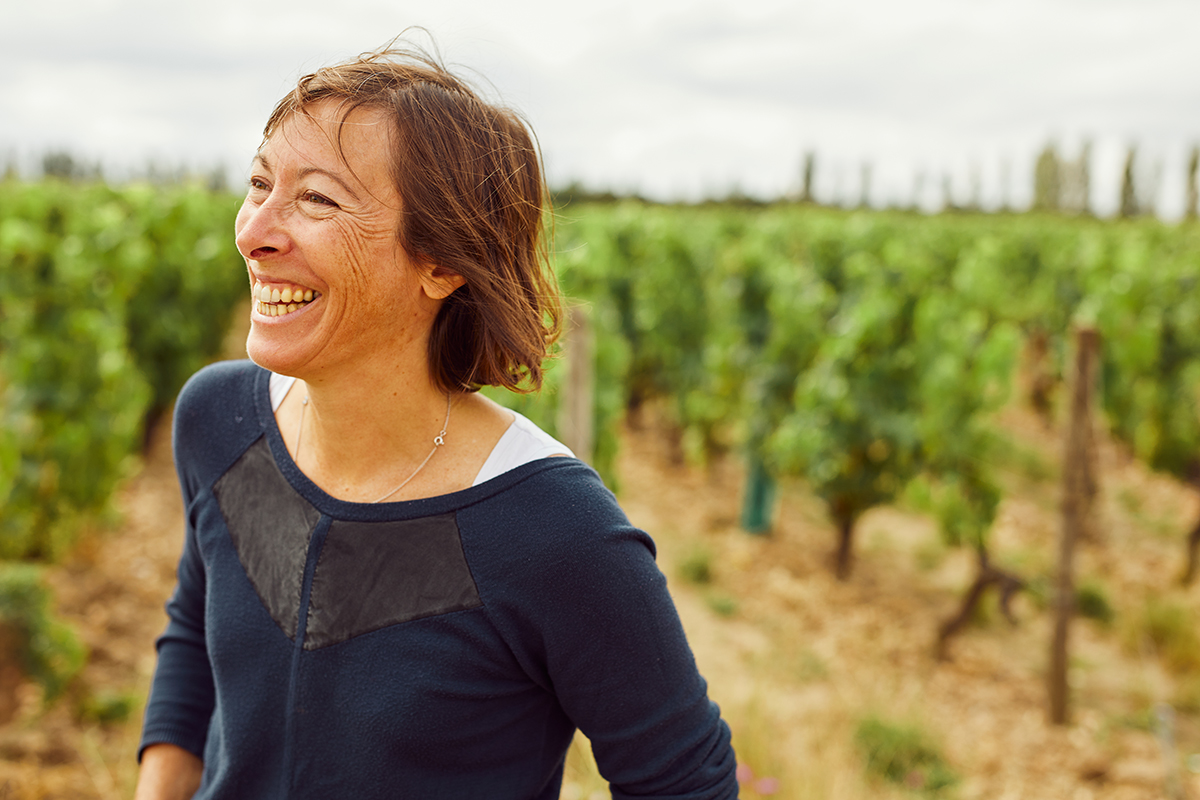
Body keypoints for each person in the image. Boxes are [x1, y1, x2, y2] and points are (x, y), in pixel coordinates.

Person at [135, 41, 738, 800]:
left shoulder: (557, 533)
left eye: (317, 199)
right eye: (259, 183)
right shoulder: (218, 423)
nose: (255, 230)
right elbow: (196, 635)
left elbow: (684, 783)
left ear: (442, 265)